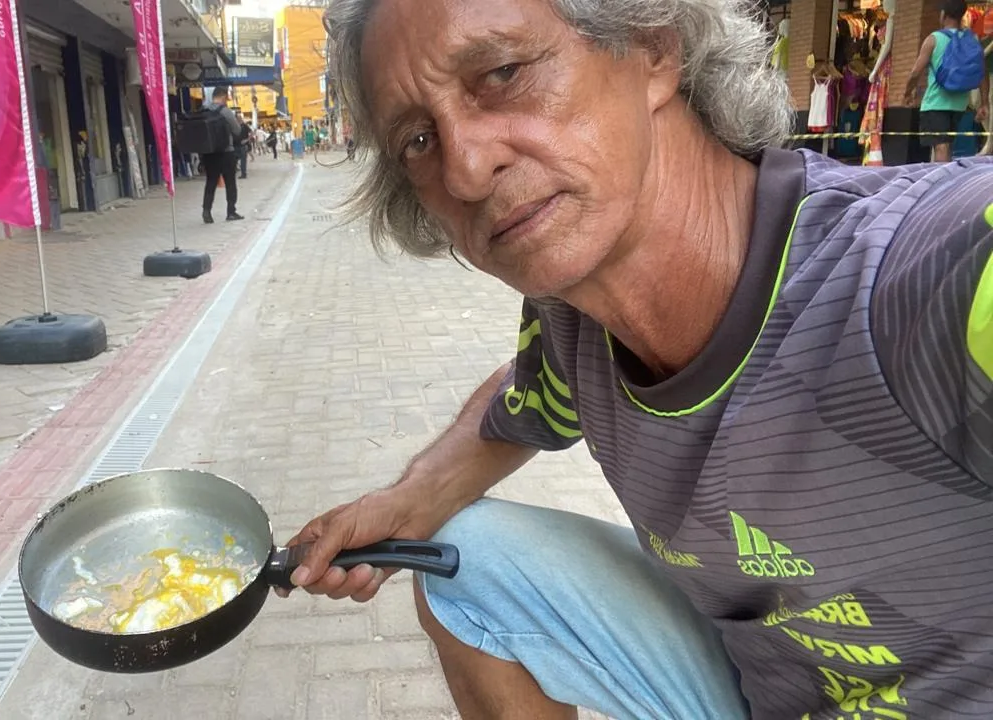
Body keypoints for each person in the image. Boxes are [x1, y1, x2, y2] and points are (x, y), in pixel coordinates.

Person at [285, 0, 993, 718]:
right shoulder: (576, 323)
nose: (466, 169)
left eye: (501, 72)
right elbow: (518, 406)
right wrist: (404, 504)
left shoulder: (922, 274)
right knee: (459, 560)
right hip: (764, 693)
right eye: (417, 140)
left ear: (653, 47)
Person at [904, 0, 990, 162]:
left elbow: (915, 72)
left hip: (936, 103)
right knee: (947, 145)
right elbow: (982, 72)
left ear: (943, 14)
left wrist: (908, 93)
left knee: (941, 146)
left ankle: (941, 183)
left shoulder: (934, 39)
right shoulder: (972, 39)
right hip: (959, 105)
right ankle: (948, 181)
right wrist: (984, 102)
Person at [200, 87, 244, 224]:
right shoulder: (225, 111)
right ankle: (231, 212)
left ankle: (206, 211)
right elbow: (237, 131)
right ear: (224, 96)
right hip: (226, 152)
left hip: (209, 153)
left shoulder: (204, 111)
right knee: (230, 182)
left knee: (211, 182)